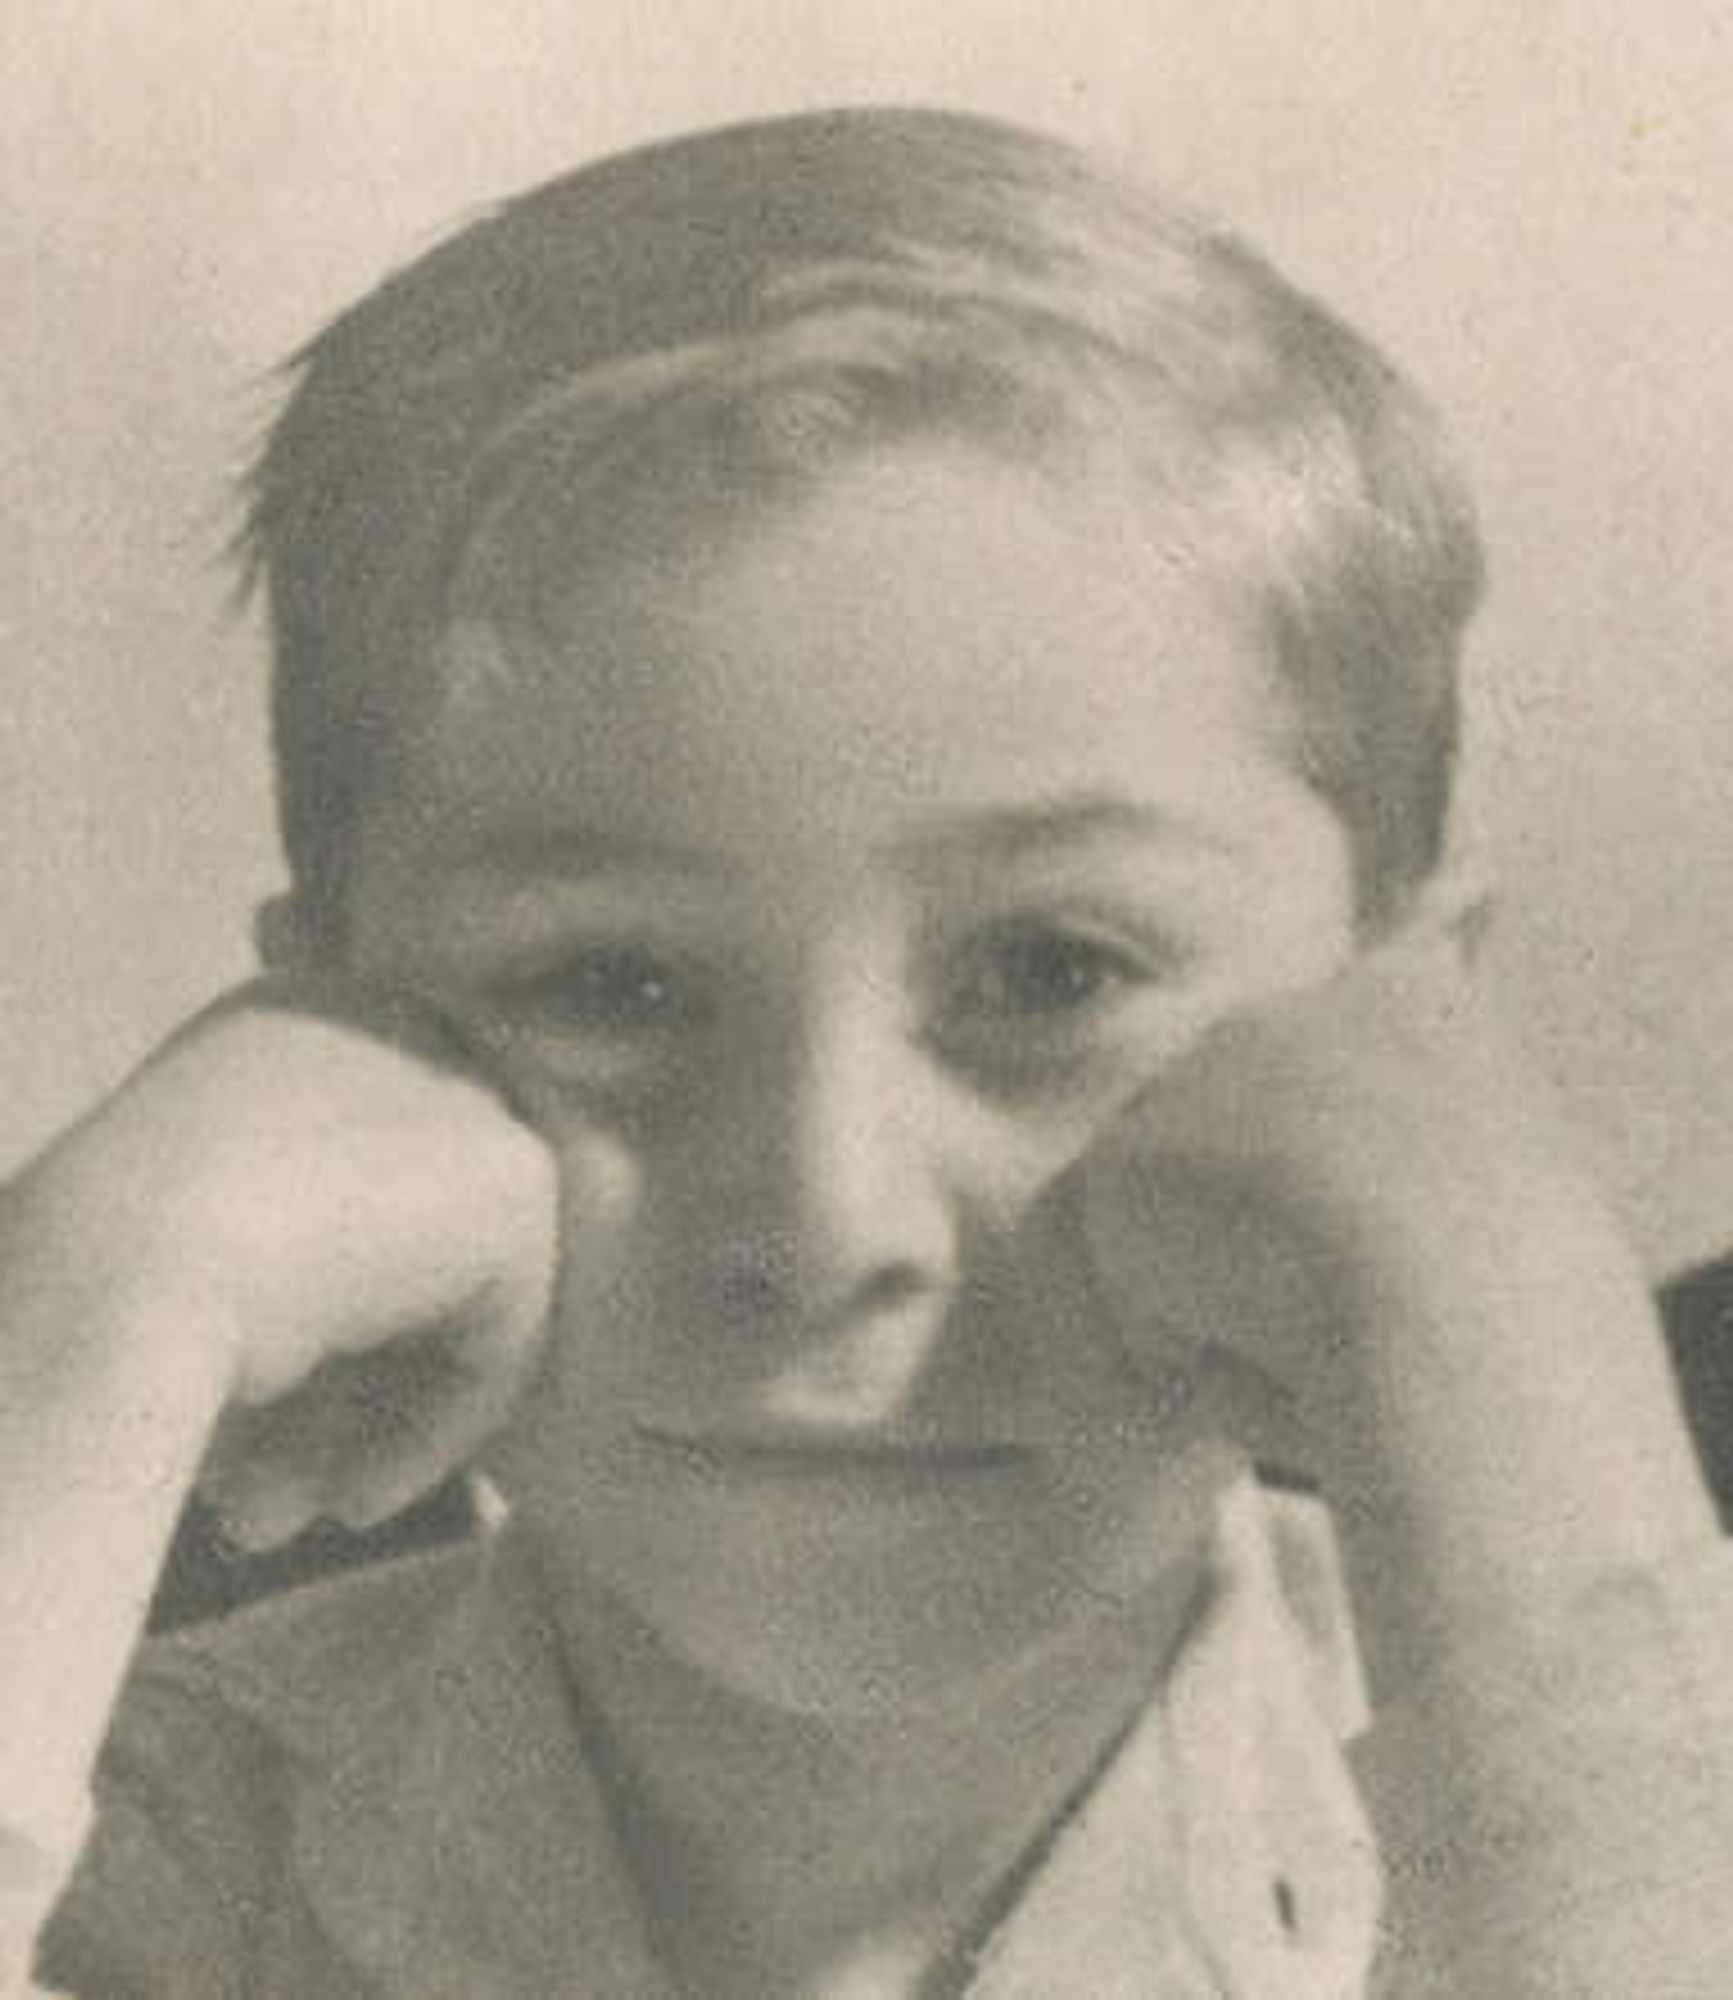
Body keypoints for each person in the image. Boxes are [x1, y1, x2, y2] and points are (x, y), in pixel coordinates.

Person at [2, 106, 1729, 1999]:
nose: (826, 1224)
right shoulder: (141, 1824)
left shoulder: (1608, 1799)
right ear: (325, 1039)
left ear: (1407, 1034)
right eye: (617, 987)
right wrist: (73, 1326)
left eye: (1055, 970)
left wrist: (1503, 1368)